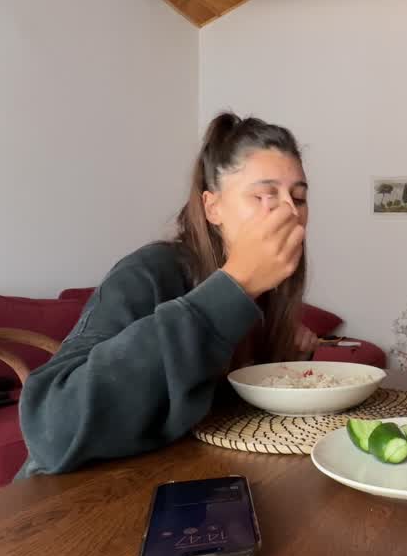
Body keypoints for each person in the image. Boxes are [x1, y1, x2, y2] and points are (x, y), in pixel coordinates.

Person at [17, 113, 317, 477]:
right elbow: (52, 428)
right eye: (263, 195)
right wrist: (233, 288)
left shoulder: (271, 298)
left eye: (298, 197)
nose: (289, 211)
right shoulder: (148, 273)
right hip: (74, 504)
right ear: (213, 208)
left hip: (186, 484)